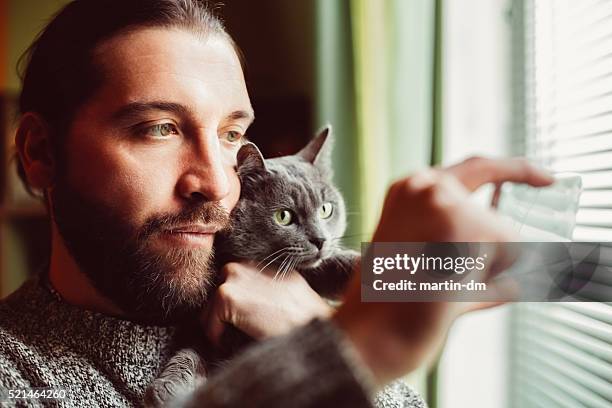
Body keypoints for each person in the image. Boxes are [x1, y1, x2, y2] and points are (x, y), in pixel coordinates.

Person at [0, 0, 553, 407]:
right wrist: (347, 349)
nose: (217, 183)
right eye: (159, 129)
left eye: (231, 136)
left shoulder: (284, 296)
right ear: (41, 152)